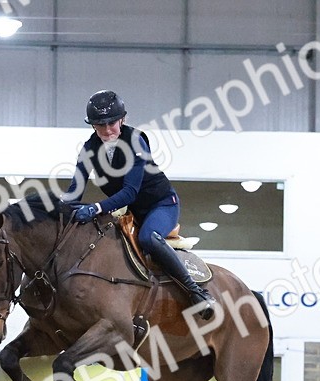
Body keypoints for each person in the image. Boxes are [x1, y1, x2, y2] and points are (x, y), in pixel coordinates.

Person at [64, 90, 216, 321]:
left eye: (111, 123)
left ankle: (196, 292)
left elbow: (129, 193)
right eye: (99, 125)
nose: (106, 131)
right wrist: (58, 211)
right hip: (129, 212)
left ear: (122, 119)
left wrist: (94, 208)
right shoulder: (89, 148)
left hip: (161, 205)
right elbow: (74, 192)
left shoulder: (136, 140)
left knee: (148, 238)